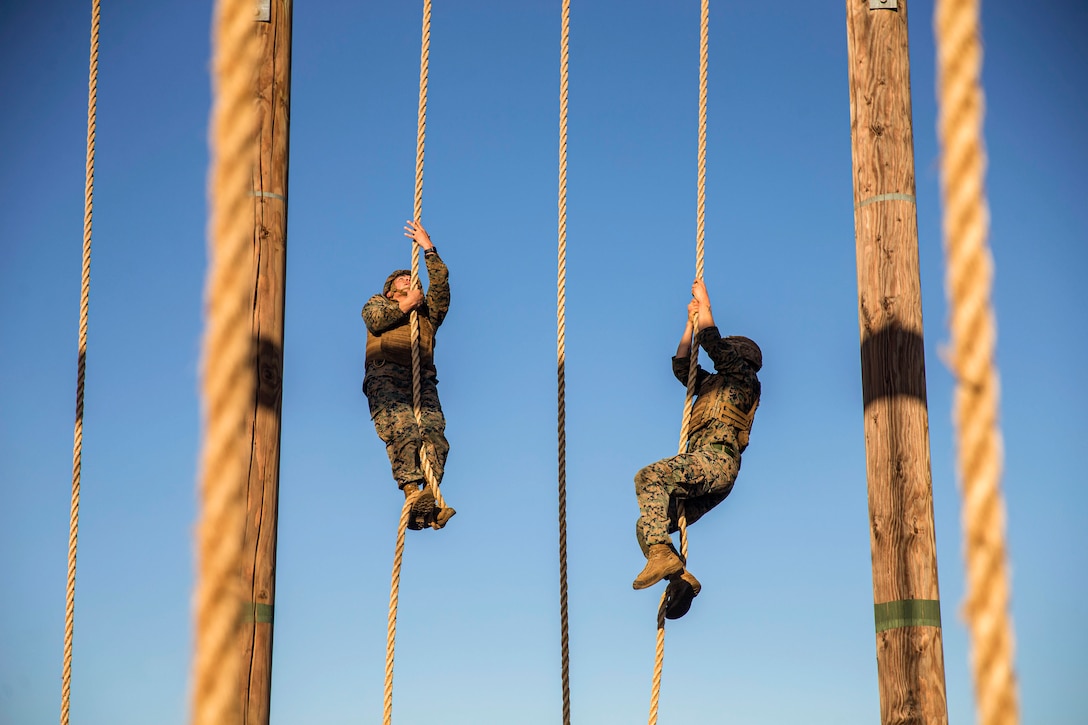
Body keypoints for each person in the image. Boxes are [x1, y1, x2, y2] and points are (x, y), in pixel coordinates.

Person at [632, 279, 762, 618]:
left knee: (651, 477)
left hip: (717, 463)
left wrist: (705, 306)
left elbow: (714, 345)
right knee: (649, 523)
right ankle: (681, 578)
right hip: (701, 466)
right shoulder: (710, 384)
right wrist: (689, 326)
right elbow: (681, 366)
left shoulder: (745, 381)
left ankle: (662, 554)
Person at [362, 220, 454, 530]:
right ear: (390, 290)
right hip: (387, 375)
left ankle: (429, 499)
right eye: (401, 279)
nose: (407, 279)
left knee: (435, 436)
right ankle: (412, 493)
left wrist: (429, 249)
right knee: (403, 429)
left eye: (410, 277)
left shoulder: (426, 315)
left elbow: (440, 289)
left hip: (422, 379)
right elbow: (375, 320)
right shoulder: (380, 303)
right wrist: (406, 304)